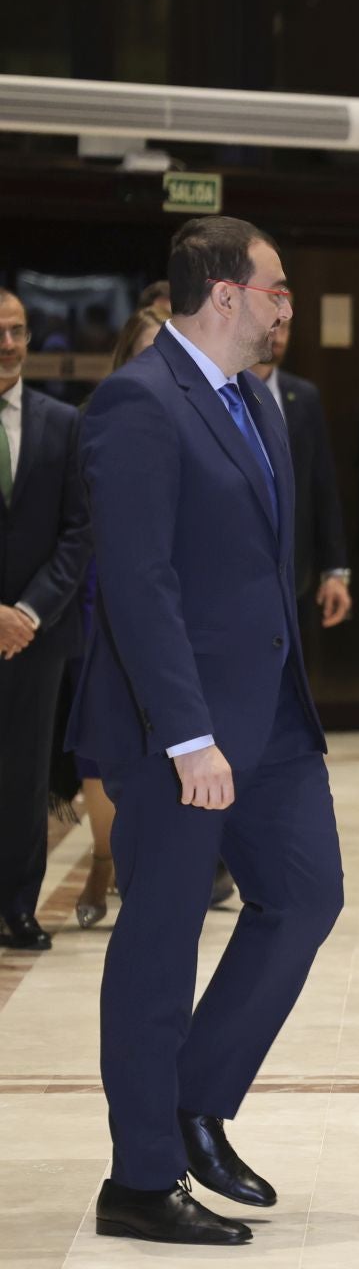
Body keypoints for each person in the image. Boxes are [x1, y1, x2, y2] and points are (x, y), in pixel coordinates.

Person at [72, 216, 340, 1246]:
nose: (286, 305)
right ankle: (138, 1179)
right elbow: (139, 584)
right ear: (223, 295)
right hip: (173, 729)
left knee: (308, 892)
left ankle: (191, 1099)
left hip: (269, 718)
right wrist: (188, 735)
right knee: (158, 940)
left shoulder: (260, 404)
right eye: (275, 287)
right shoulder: (138, 402)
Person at [65, 305, 172, 930]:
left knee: (161, 739)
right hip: (96, 595)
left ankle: (147, 862)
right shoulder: (93, 419)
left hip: (166, 597)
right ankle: (103, 856)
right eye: (146, 350)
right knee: (103, 743)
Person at [0, 287, 88, 952]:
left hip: (38, 632)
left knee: (26, 777)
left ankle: (18, 907)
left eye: (18, 331)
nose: (8, 344)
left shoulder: (62, 423)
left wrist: (27, 611)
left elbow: (80, 533)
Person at [250, 319, 351, 635]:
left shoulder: (304, 397)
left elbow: (323, 487)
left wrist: (335, 570)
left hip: (295, 574)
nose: (279, 336)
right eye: (273, 324)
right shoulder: (219, 393)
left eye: (287, 327)